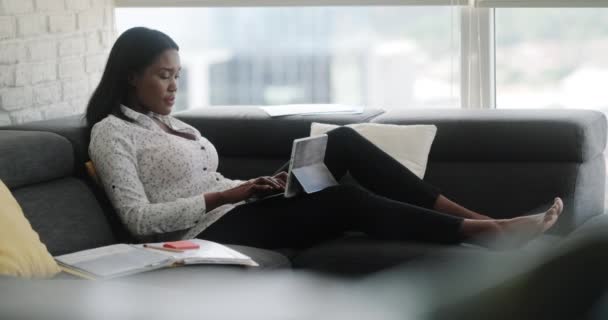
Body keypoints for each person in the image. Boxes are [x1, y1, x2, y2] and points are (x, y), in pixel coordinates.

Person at [86, 27, 563, 251]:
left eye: (177, 75)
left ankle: (484, 218)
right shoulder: (111, 134)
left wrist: (254, 183)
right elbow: (138, 220)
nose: (173, 86)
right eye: (162, 76)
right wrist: (228, 194)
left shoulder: (178, 126)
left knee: (347, 142)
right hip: (200, 235)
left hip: (238, 206)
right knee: (343, 201)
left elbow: (207, 175)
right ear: (131, 77)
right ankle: (484, 234)